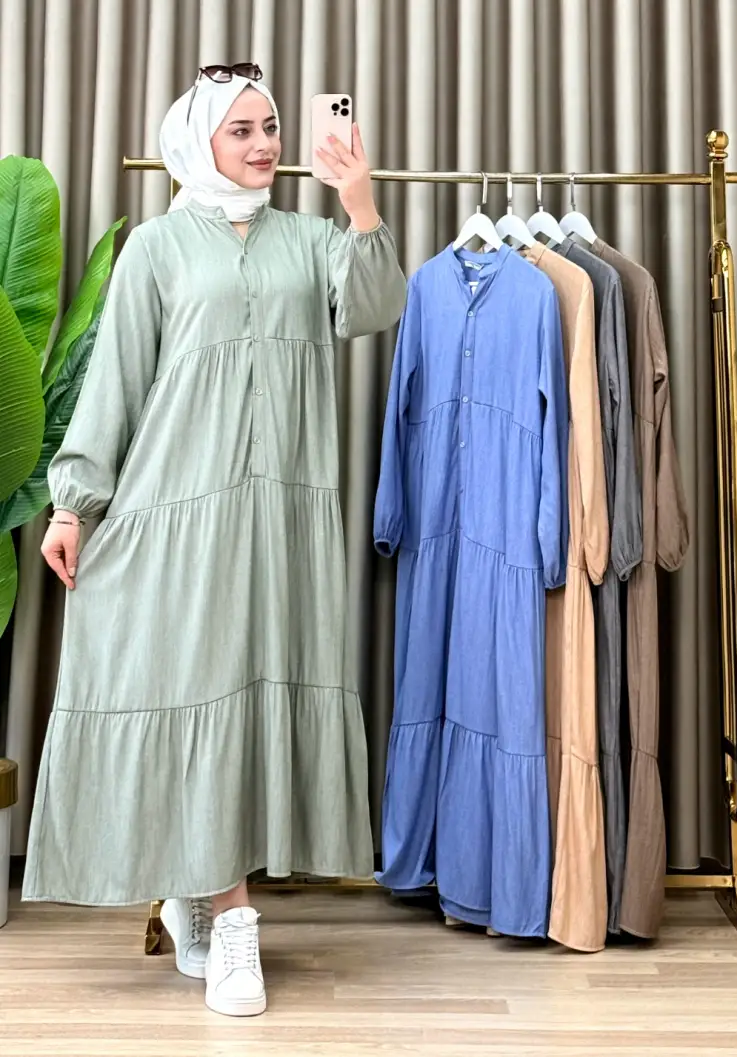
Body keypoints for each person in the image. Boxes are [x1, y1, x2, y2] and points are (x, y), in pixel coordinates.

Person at [24, 65, 407, 1018]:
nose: (265, 144)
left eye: (271, 127)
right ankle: (232, 922)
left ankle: (199, 891)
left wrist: (359, 202)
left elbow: (374, 308)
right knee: (190, 687)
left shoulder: (311, 240)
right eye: (242, 130)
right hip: (174, 511)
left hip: (281, 520)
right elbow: (116, 380)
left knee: (244, 693)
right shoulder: (157, 248)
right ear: (199, 141)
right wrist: (73, 505)